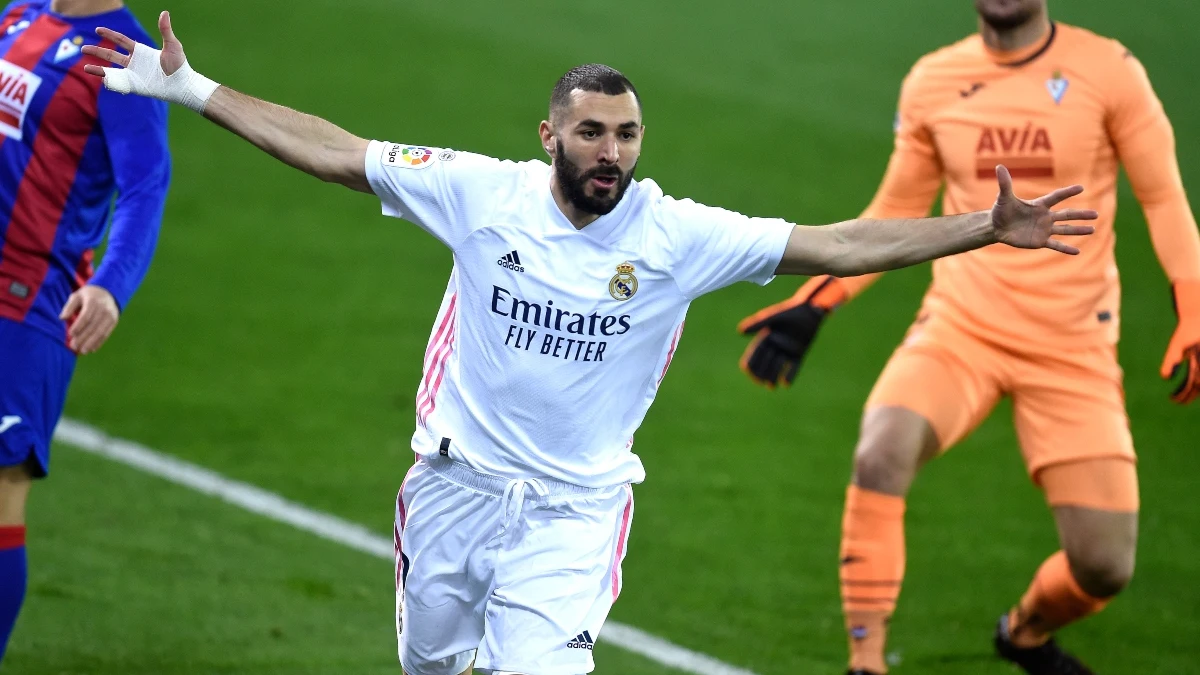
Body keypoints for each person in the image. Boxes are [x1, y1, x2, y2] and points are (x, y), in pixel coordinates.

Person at [82, 11, 1096, 675]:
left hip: (575, 513)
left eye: (627, 135)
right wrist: (194, 91)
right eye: (592, 133)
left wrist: (983, 226)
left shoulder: (676, 234)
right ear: (549, 134)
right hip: (454, 487)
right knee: (432, 662)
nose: (610, 153)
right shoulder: (482, 193)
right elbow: (339, 153)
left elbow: (837, 240)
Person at [735, 1, 1200, 673]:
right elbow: (895, 211)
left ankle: (1025, 631)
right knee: (880, 450)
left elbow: (1164, 197)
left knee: (1103, 564)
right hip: (962, 326)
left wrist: (1192, 308)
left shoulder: (1109, 69)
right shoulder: (933, 79)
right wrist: (818, 303)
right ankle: (865, 663)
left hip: (1073, 346)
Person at [0, 0, 170, 664]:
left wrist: (112, 285)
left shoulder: (120, 52)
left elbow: (146, 184)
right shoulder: (17, 15)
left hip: (25, 302)